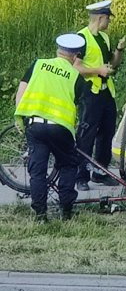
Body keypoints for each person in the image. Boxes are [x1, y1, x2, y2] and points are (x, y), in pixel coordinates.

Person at [15, 34, 87, 221]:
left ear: (58, 50)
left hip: (35, 126)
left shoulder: (38, 64)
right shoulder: (76, 76)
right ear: (75, 56)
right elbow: (77, 106)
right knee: (67, 165)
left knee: (37, 171)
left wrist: (20, 116)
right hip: (60, 128)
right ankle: (66, 211)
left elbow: (22, 90)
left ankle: (40, 214)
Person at [75, 0, 126, 191]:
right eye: (108, 19)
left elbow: (112, 63)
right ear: (101, 18)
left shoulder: (104, 38)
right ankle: (81, 175)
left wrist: (119, 50)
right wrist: (98, 70)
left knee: (107, 133)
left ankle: (100, 172)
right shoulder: (81, 38)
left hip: (106, 92)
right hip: (89, 92)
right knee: (87, 133)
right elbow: (76, 67)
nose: (109, 23)